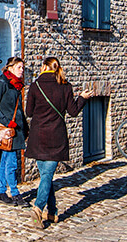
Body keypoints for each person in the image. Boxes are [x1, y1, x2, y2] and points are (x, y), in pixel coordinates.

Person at [24, 57, 93, 229]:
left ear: (43, 67)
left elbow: (29, 112)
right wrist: (82, 98)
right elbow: (73, 111)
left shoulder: (35, 86)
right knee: (47, 176)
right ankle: (39, 208)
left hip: (38, 137)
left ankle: (52, 211)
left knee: (46, 176)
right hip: (56, 136)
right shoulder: (65, 86)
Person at [0, 56, 27, 206]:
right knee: (11, 164)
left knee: (5, 162)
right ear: (10, 68)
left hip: (16, 130)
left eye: (23, 68)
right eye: (19, 67)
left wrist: (25, 128)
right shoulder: (1, 83)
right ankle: (15, 194)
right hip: (7, 130)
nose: (22, 70)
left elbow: (19, 109)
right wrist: (6, 121)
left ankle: (1, 192)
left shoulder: (17, 85)